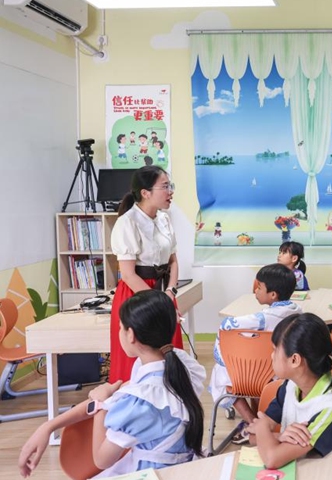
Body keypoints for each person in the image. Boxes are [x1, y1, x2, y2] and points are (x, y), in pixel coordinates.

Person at [18, 290, 205, 478]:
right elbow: (117, 396)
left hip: (154, 473)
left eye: (120, 327)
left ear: (130, 334)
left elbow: (101, 460)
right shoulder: (180, 366)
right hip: (184, 468)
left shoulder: (142, 397)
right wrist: (49, 426)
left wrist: (101, 405)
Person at [246, 313, 332, 468]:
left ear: (294, 360)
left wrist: (263, 429)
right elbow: (253, 436)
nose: (271, 355)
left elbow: (272, 458)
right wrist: (280, 436)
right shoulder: (291, 387)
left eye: (275, 349)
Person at [209, 264, 301, 441]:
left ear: (273, 295)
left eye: (259, 287)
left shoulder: (262, 319)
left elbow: (227, 325)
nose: (255, 291)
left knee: (221, 373)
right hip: (283, 375)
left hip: (259, 377)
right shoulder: (296, 312)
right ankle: (260, 420)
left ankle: (252, 424)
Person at [109, 165, 182, 383]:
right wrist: (159, 302)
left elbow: (173, 261)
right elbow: (129, 275)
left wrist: (170, 291)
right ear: (145, 192)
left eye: (171, 186)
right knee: (136, 363)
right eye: (165, 186)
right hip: (137, 295)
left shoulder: (164, 219)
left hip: (163, 292)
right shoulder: (127, 222)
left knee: (169, 356)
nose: (170, 192)